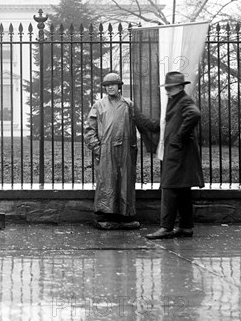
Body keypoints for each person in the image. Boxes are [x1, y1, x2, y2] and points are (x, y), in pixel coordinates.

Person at [136, 71, 204, 239]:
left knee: (169, 188)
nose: (167, 91)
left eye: (170, 88)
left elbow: (195, 114)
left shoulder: (184, 100)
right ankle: (186, 227)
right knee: (183, 190)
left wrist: (179, 137)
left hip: (178, 152)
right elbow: (158, 125)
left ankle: (166, 228)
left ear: (180, 87)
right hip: (180, 152)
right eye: (166, 87)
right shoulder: (175, 100)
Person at [84, 72, 140, 230]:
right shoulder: (99, 105)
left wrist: (133, 148)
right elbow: (89, 129)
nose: (110, 88)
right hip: (106, 149)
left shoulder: (129, 104)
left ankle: (125, 214)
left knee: (125, 181)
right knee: (107, 181)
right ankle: (106, 214)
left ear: (119, 86)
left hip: (126, 149)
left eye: (113, 84)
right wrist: (96, 147)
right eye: (107, 85)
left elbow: (136, 125)